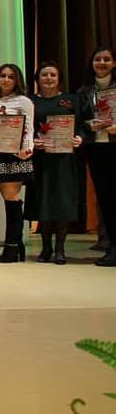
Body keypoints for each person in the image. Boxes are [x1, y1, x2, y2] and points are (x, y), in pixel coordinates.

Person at [26, 62, 82, 264]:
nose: (48, 78)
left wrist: (79, 138)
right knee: (43, 201)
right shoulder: (31, 101)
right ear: (37, 79)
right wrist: (33, 141)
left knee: (62, 202)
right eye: (44, 75)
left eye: (53, 75)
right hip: (41, 159)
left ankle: (60, 248)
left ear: (59, 79)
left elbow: (82, 125)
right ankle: (46, 247)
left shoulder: (70, 100)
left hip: (64, 159)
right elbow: (26, 128)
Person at [0, 63, 35, 263]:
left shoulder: (23, 101)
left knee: (12, 197)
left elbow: (29, 127)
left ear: (17, 80)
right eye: (3, 76)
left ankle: (11, 247)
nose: (6, 80)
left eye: (11, 76)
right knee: (7, 198)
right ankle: (17, 245)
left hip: (16, 153)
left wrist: (27, 148)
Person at [77, 46, 116, 266]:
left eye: (106, 59)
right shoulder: (84, 91)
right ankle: (112, 246)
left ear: (114, 63)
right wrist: (89, 126)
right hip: (96, 149)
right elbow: (79, 121)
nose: (101, 63)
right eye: (97, 59)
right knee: (105, 199)